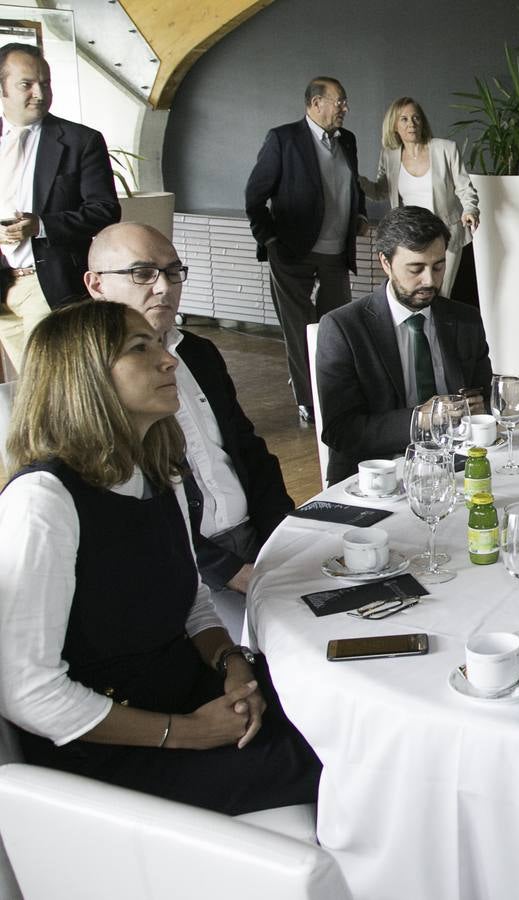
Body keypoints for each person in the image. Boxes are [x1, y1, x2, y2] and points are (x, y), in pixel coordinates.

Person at [0, 301, 320, 815]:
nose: (168, 359)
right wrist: (188, 733)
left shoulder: (156, 471)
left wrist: (232, 664)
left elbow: (191, 604)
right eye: (139, 348)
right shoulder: (44, 502)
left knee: (335, 714)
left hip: (185, 694)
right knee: (338, 760)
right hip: (108, 750)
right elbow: (28, 692)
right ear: (84, 377)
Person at [84, 222, 294, 636]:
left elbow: (250, 451)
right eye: (142, 273)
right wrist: (230, 571)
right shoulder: (94, 382)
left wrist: (281, 538)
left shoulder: (198, 353)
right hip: (182, 568)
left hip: (258, 542)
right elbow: (129, 520)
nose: (163, 286)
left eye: (172, 270)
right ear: (96, 285)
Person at [316, 205, 492, 486]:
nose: (429, 281)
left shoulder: (465, 319)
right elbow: (341, 431)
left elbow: (486, 397)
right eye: (416, 268)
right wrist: (419, 419)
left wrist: (480, 408)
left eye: (438, 266)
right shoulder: (344, 328)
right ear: (385, 263)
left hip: (457, 467)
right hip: (379, 477)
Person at [244, 76, 367, 425]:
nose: (345, 108)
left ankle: (335, 393)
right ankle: (309, 401)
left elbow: (351, 185)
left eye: (344, 102)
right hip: (292, 252)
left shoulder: (349, 141)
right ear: (316, 104)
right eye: (339, 101)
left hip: (335, 252)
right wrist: (268, 241)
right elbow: (254, 196)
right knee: (300, 330)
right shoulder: (283, 139)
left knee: (334, 327)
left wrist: (357, 213)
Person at [0, 43, 118, 373]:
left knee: (56, 380)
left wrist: (40, 224)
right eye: (26, 84)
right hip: (4, 288)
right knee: (28, 387)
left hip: (49, 284)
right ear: (3, 88)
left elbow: (105, 210)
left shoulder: (82, 141)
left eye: (45, 83)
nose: (39, 93)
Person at [360, 97, 478, 298]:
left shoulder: (445, 149)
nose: (411, 124)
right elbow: (381, 191)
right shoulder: (389, 155)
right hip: (409, 237)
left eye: (416, 118)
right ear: (394, 126)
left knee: (440, 294)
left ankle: (438, 330)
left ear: (422, 122)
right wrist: (357, 181)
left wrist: (470, 209)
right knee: (412, 294)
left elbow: (465, 188)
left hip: (445, 233)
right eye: (404, 119)